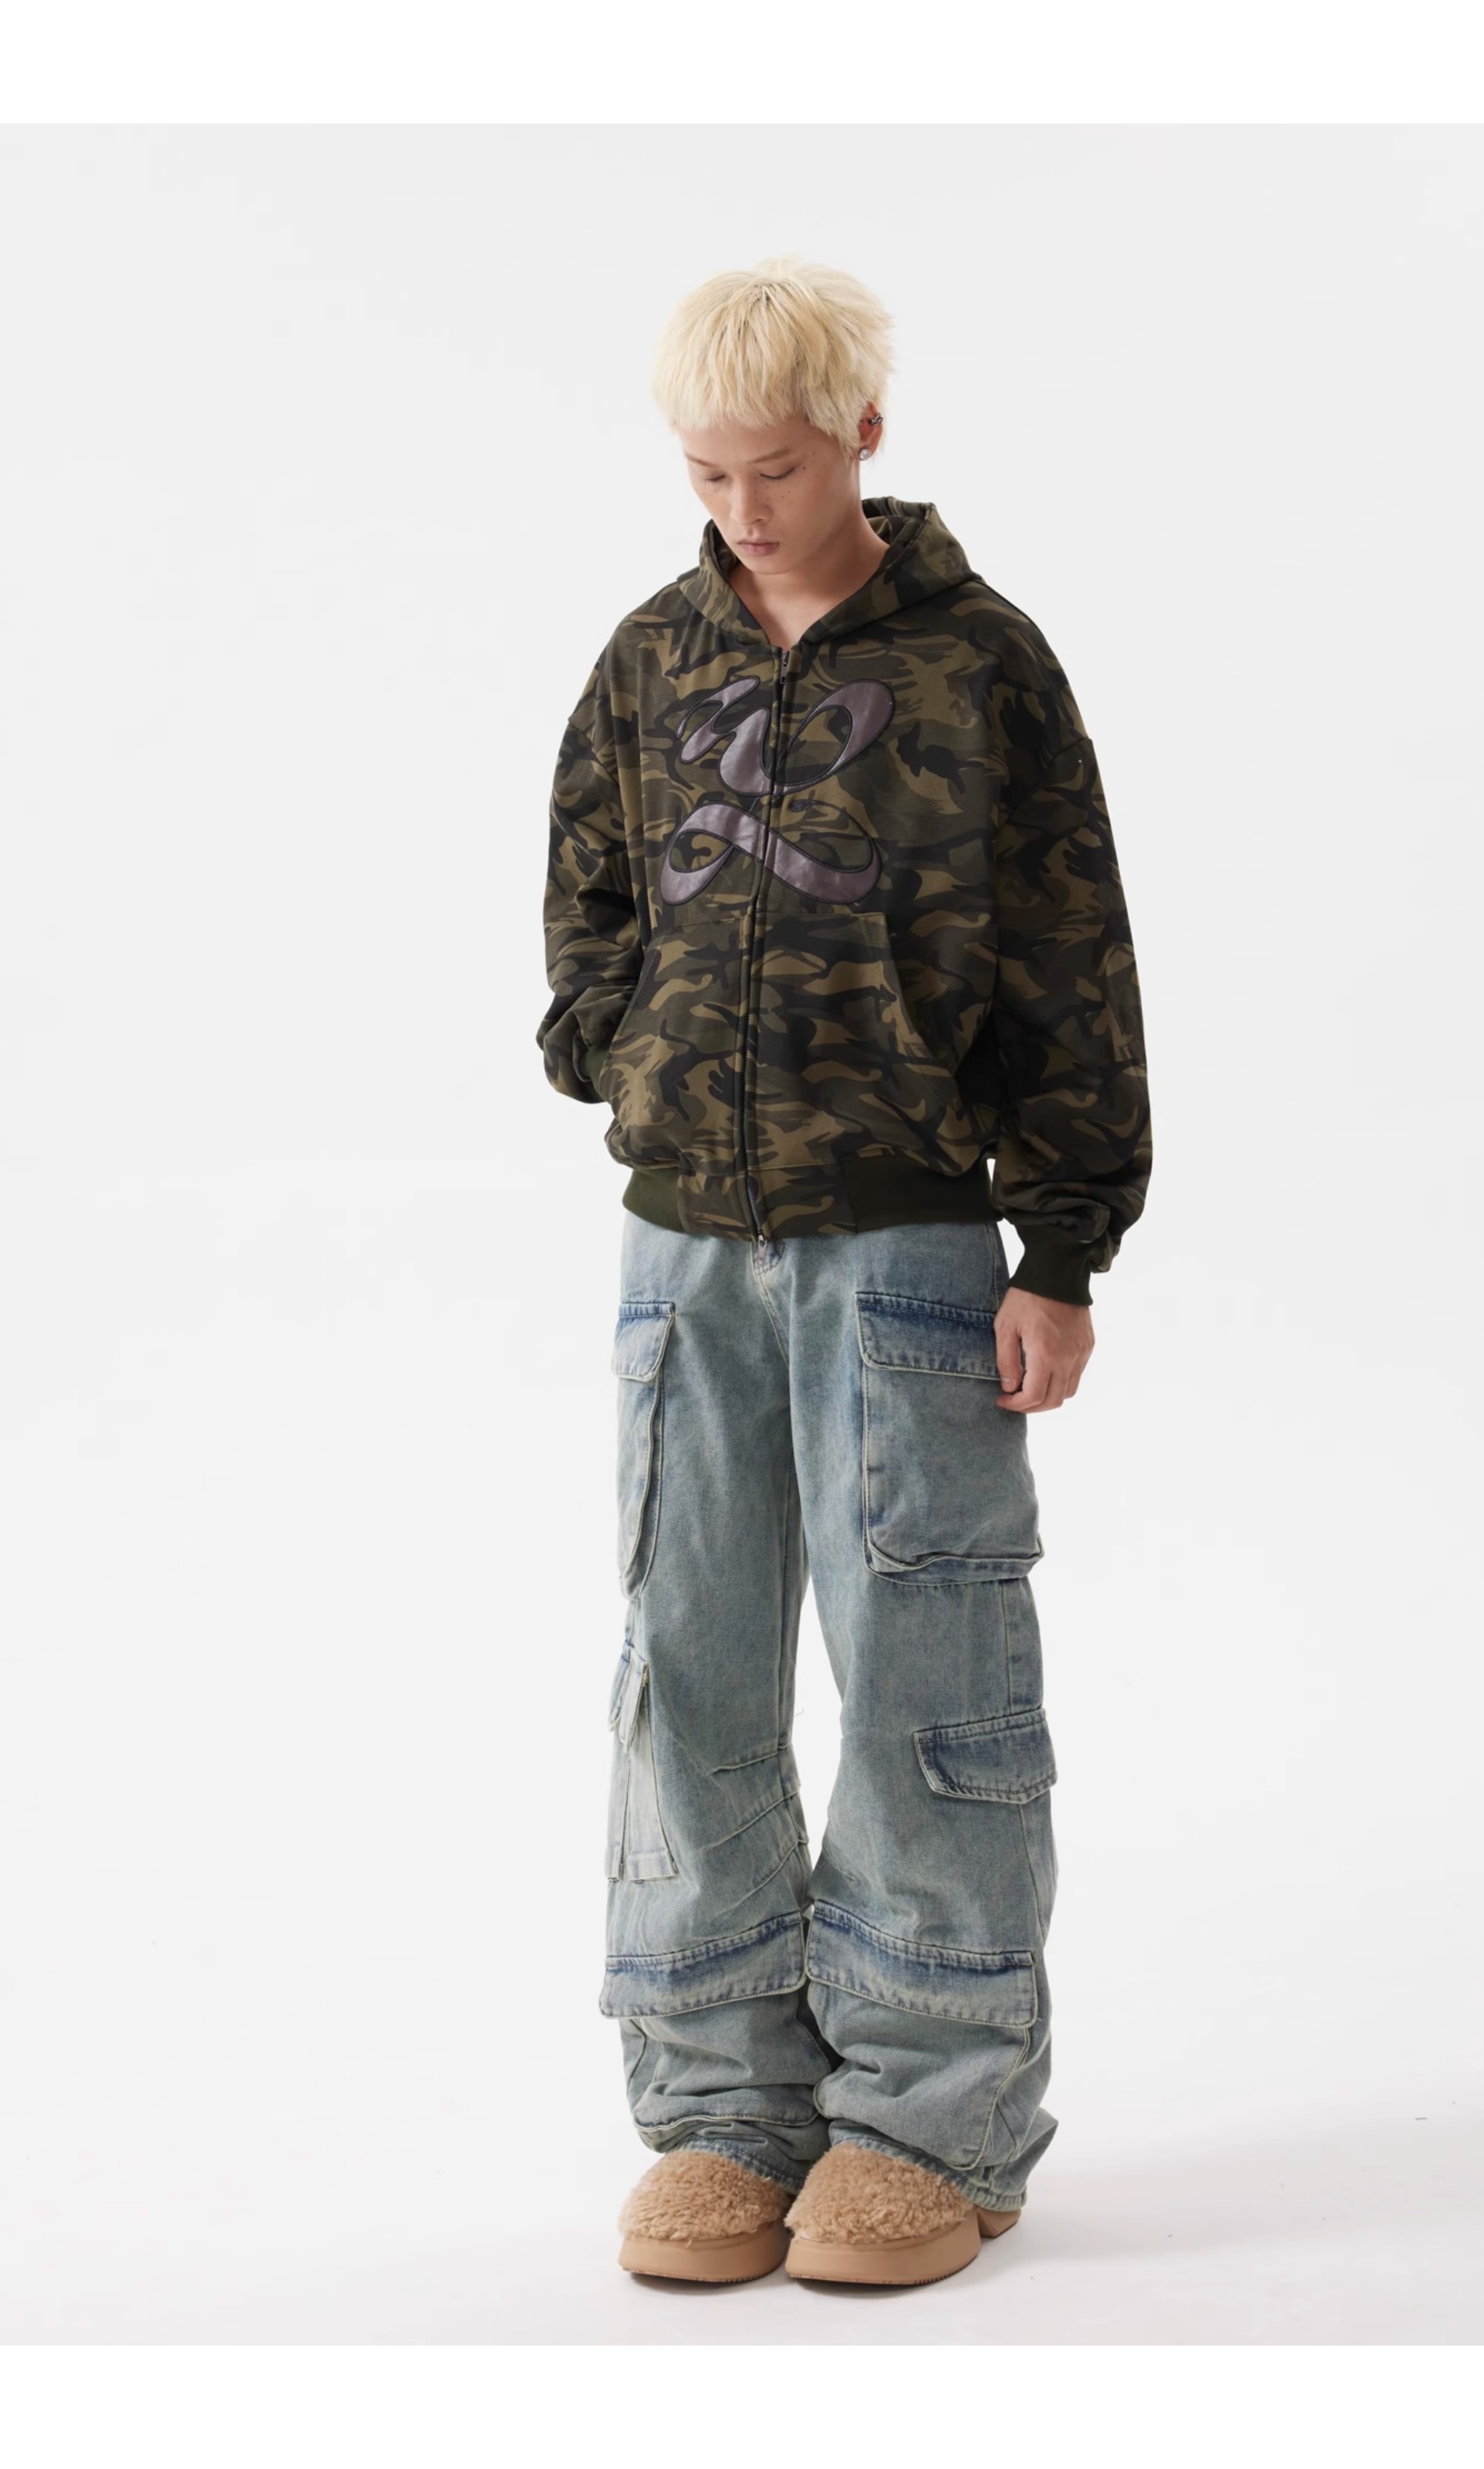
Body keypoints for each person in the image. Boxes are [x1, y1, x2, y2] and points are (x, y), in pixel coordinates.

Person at [536, 255, 1152, 2288]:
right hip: (682, 1260)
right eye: (707, 474)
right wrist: (621, 1047)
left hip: (907, 1249)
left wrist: (1063, 1245)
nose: (743, 509)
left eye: (778, 470)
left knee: (924, 1677)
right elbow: (589, 896)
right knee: (686, 1664)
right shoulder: (654, 656)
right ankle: (724, 2105)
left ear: (862, 435)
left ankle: (931, 2114)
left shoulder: (984, 667)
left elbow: (1070, 962)